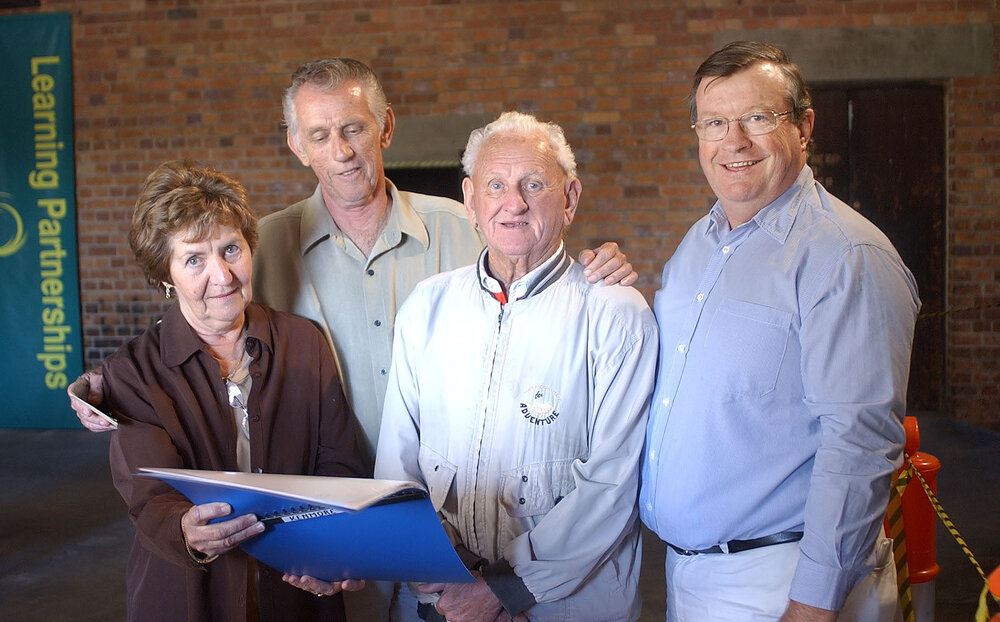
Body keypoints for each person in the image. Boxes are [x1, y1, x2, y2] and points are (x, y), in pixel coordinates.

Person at [639, 41, 920, 621]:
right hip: (691, 574)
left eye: (757, 118)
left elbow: (859, 441)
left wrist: (812, 604)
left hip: (784, 581)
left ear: (804, 127)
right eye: (715, 123)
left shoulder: (845, 255)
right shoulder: (698, 244)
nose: (734, 141)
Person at [374, 111, 658, 622]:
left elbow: (612, 486)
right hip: (442, 600)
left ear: (569, 198)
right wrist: (443, 573)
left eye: (533, 184)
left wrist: (503, 590)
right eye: (496, 185)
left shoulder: (616, 315)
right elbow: (398, 463)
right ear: (470, 200)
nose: (514, 202)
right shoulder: (426, 307)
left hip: (566, 608)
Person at [102, 160, 365, 622]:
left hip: (298, 587)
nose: (222, 276)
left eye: (230, 249)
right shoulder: (133, 372)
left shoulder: (303, 342)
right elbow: (149, 495)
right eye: (194, 260)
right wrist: (184, 528)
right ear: (165, 275)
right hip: (189, 595)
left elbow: (338, 463)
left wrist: (334, 547)